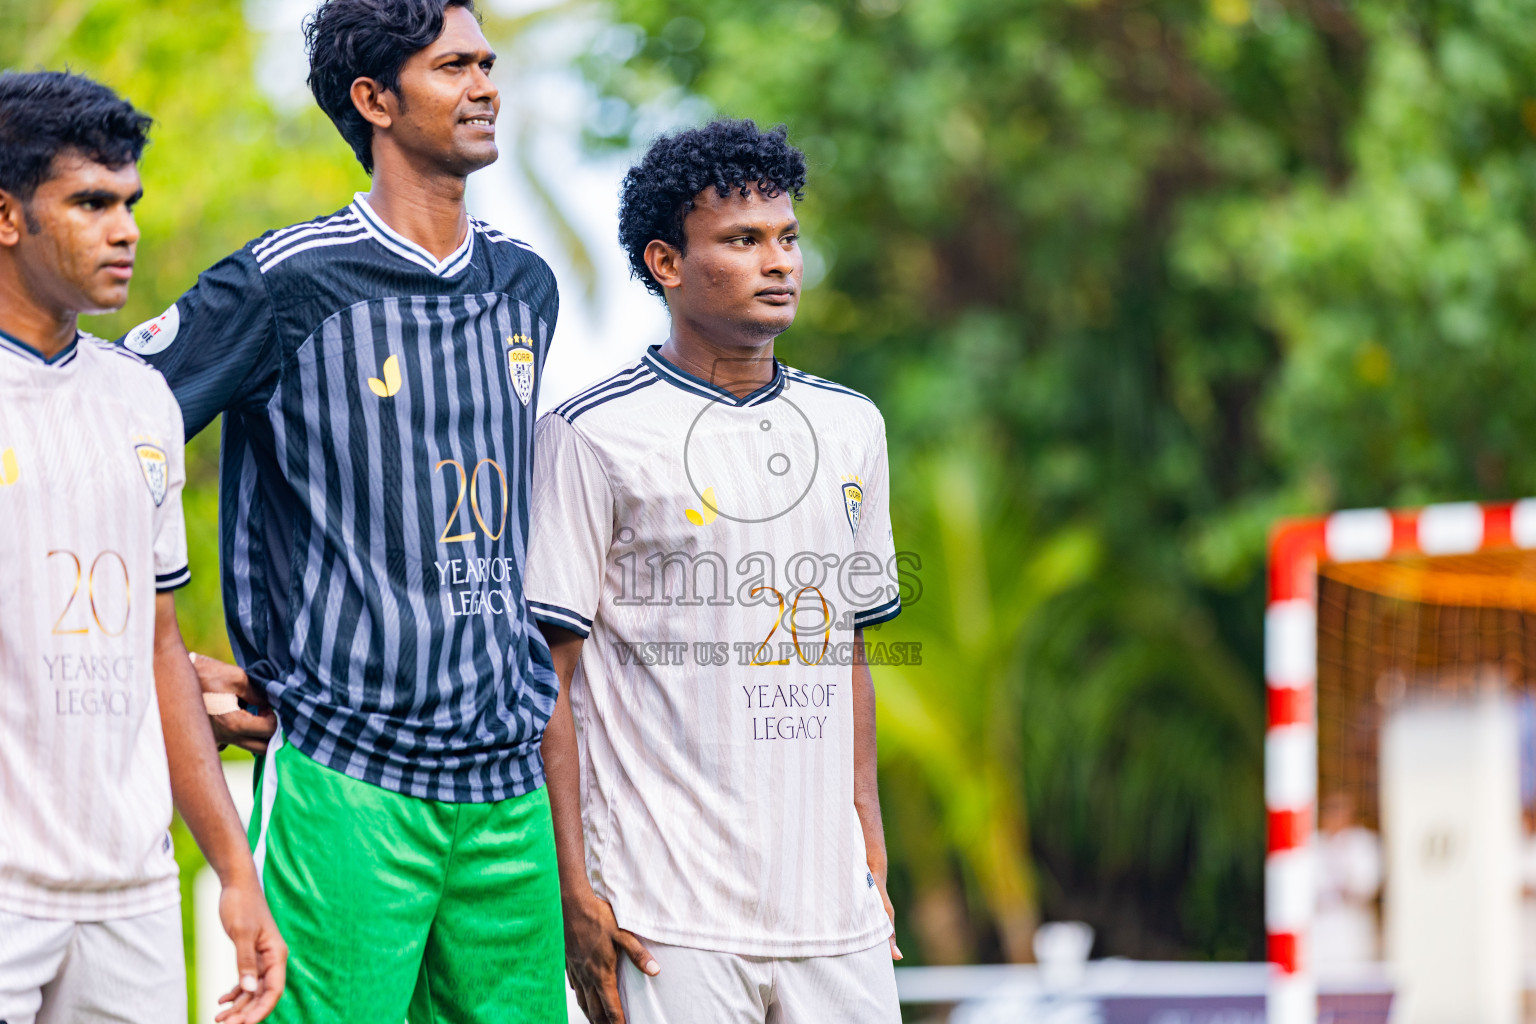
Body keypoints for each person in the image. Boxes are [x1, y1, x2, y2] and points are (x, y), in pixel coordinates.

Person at [121, 1, 565, 1020]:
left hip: (509, 787)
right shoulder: (283, 284)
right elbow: (97, 426)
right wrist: (158, 653)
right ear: (373, 99)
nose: (487, 84)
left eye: (488, 62)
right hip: (349, 779)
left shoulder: (528, 288)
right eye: (454, 66)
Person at [528, 119, 903, 1024]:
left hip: (833, 918)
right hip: (669, 919)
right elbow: (548, 678)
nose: (779, 263)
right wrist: (574, 889)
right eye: (742, 241)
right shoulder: (591, 433)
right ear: (666, 261)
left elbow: (846, 649)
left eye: (787, 238)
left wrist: (871, 852)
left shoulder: (852, 425)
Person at [0, 70, 286, 1024]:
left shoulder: (142, 400)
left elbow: (156, 646)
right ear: (7, 217)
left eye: (130, 203)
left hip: (133, 891)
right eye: (90, 203)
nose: (124, 229)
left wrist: (235, 875)